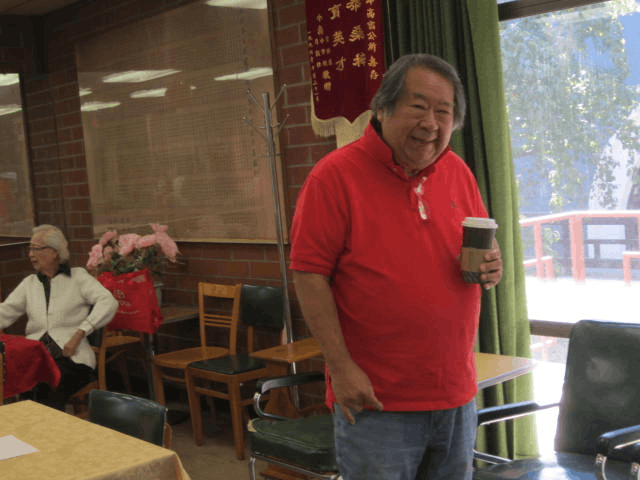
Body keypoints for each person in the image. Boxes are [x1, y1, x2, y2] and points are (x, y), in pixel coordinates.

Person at [289, 54, 503, 480]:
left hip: (455, 395)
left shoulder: (457, 172)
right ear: (383, 108)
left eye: (444, 112)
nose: (431, 123)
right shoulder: (334, 176)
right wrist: (341, 368)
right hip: (376, 401)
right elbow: (308, 275)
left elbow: (480, 243)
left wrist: (492, 265)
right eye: (418, 106)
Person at [0, 225, 118, 410]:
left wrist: (81, 332)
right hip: (36, 359)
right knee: (20, 382)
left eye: (36, 248)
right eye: (30, 249)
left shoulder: (78, 277)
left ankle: (50, 427)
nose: (30, 254)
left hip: (72, 358)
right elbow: (5, 312)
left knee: (45, 386)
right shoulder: (29, 284)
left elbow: (109, 302)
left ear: (55, 252)